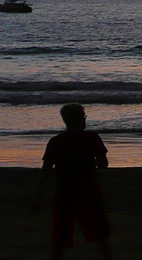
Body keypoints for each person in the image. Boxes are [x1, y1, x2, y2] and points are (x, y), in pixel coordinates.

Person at [34, 103, 113, 260]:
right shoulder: (92, 138)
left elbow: (46, 170)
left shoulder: (56, 141)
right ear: (80, 119)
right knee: (99, 234)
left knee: (59, 238)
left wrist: (38, 194)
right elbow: (103, 163)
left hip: (65, 194)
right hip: (89, 192)